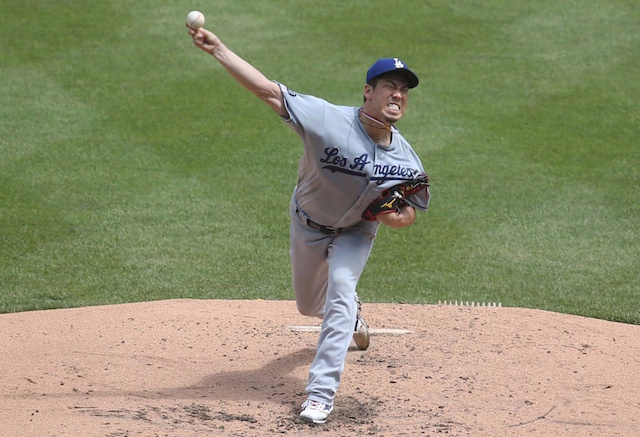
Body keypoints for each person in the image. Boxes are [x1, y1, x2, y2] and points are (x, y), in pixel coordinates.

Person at [187, 25, 431, 424]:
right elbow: (267, 91)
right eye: (389, 86)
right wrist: (219, 50)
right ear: (368, 91)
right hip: (308, 224)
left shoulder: (407, 163)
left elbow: (409, 216)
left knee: (340, 289)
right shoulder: (326, 118)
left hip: (356, 232)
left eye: (404, 91)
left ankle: (320, 394)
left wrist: (393, 216)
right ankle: (350, 317)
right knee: (308, 304)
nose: (398, 95)